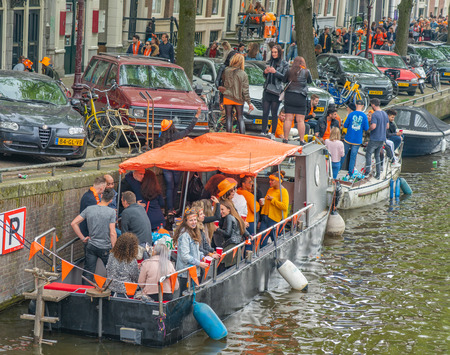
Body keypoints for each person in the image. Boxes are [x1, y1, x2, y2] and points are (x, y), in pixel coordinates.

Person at [159, 107, 202, 214]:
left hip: (165, 165)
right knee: (175, 187)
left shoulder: (161, 138)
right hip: (176, 165)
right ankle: (174, 208)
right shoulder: (177, 136)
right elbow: (188, 129)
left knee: (169, 187)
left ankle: (169, 209)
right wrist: (196, 117)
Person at [71, 188, 117, 283]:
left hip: (91, 245)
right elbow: (112, 232)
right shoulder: (111, 212)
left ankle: (84, 293)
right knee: (112, 271)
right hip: (105, 246)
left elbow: (73, 223)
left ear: (101, 196)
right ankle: (112, 292)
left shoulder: (89, 209)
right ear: (111, 200)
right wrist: (115, 248)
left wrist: (83, 238)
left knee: (88, 272)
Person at [173, 209, 208, 294]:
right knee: (185, 295)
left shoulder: (193, 232)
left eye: (195, 220)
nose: (193, 222)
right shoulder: (184, 235)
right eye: (191, 220)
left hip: (194, 271)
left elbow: (195, 250)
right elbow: (185, 256)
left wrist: (202, 256)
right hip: (186, 273)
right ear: (186, 221)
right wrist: (199, 263)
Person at [219, 53, 254, 134]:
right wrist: (249, 102)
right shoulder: (243, 74)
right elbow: (245, 90)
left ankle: (229, 136)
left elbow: (223, 82)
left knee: (228, 117)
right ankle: (242, 136)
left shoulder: (226, 71)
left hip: (228, 96)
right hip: (239, 99)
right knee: (240, 118)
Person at [283, 56, 312, 145]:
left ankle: (285, 138)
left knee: (288, 119)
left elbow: (284, 80)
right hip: (300, 97)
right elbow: (310, 81)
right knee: (300, 120)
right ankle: (302, 140)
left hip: (290, 96)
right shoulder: (306, 71)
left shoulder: (289, 70)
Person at [261, 44, 289, 138]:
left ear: (279, 52)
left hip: (277, 91)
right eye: (272, 52)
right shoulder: (269, 62)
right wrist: (265, 73)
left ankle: (273, 133)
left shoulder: (284, 63)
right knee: (265, 112)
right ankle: (263, 131)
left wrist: (275, 72)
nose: (273, 54)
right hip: (267, 89)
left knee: (274, 113)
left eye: (275, 52)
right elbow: (266, 76)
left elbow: (285, 78)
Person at [213, 199, 249, 268]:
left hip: (230, 247)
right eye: (220, 210)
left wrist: (217, 229)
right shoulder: (235, 217)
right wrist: (248, 235)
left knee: (223, 270)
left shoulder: (229, 217)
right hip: (235, 247)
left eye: (222, 209)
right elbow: (243, 230)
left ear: (229, 209)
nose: (221, 212)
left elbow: (227, 233)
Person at [259, 171, 288, 248]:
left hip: (275, 220)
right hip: (265, 218)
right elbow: (267, 204)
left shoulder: (283, 192)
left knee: (276, 241)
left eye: (272, 180)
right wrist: (262, 204)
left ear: (278, 180)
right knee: (261, 240)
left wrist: (273, 200)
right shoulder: (270, 190)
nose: (270, 182)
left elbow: (285, 206)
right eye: (270, 180)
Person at [106, 232, 139, 297]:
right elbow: (136, 278)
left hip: (110, 289)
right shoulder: (132, 260)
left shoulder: (111, 255)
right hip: (126, 292)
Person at [341, 101, 369, 175]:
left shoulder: (351, 114)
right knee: (353, 157)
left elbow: (345, 125)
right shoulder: (364, 116)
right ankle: (350, 173)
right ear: (363, 106)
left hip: (348, 138)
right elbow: (366, 128)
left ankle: (338, 169)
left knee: (343, 154)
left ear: (356, 105)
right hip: (357, 140)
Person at [365, 98, 389, 179]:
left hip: (375, 138)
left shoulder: (375, 114)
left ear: (373, 105)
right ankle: (378, 174)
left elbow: (373, 126)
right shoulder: (385, 114)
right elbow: (387, 126)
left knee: (368, 154)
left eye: (371, 105)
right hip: (382, 138)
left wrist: (368, 129)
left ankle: (367, 172)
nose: (371, 106)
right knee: (377, 156)